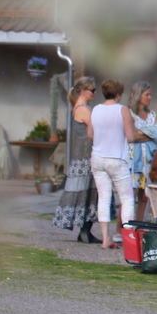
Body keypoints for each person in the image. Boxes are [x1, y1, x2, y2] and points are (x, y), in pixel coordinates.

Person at [49, 76, 99, 242]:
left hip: (81, 157)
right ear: (83, 91)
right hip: (86, 158)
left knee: (85, 193)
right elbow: (93, 132)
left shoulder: (77, 107)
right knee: (89, 194)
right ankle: (85, 231)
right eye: (92, 90)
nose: (94, 93)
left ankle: (84, 231)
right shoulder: (83, 109)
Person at [88, 79, 136, 249]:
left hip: (98, 157)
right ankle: (129, 239)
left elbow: (90, 134)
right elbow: (130, 137)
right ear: (118, 94)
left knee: (104, 197)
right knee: (127, 199)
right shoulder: (123, 110)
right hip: (117, 159)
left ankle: (105, 238)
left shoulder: (95, 110)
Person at [126, 81, 157, 192]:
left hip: (148, 161)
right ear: (138, 95)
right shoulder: (129, 113)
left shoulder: (152, 115)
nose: (150, 97)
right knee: (129, 195)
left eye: (150, 95)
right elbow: (131, 136)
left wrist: (141, 133)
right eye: (147, 94)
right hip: (132, 161)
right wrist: (150, 134)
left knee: (145, 196)